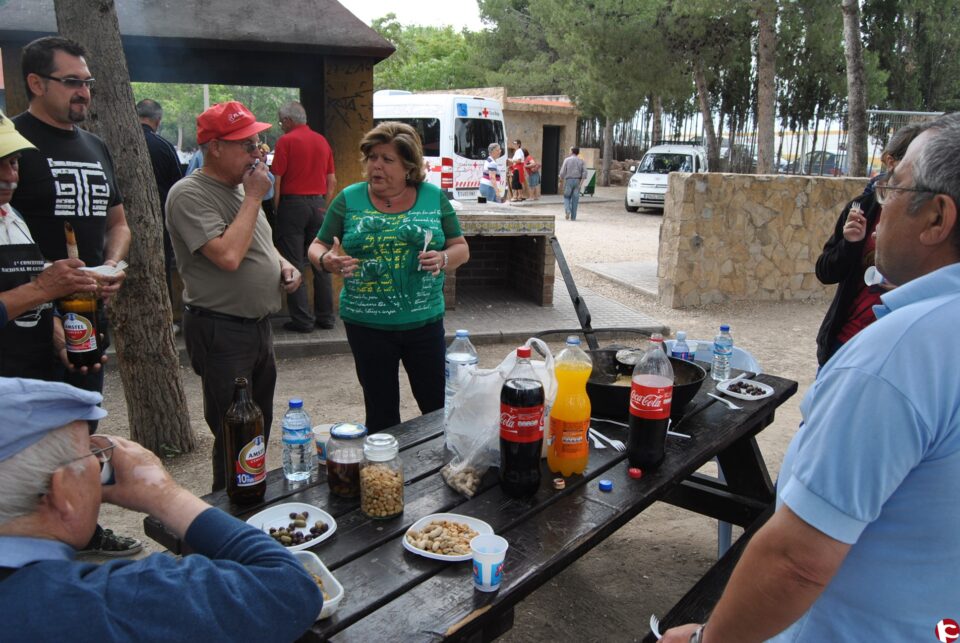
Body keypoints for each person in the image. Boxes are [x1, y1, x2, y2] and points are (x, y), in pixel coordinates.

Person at [663, 113, 960, 642]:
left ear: (937, 218)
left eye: (892, 186)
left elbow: (796, 562)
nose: (880, 202)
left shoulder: (895, 359)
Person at [0, 377, 322, 640]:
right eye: (90, 453)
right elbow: (290, 589)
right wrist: (164, 494)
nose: (100, 464)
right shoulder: (110, 604)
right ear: (62, 492)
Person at [10, 36, 136, 556]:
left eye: (88, 82)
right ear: (36, 83)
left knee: (83, 421)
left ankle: (82, 528)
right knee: (27, 435)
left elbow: (118, 222)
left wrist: (113, 265)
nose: (84, 91)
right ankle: (27, 541)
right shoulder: (13, 142)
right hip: (25, 319)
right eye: (72, 82)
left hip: (89, 311)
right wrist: (41, 300)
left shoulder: (95, 145)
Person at [166, 101, 302, 492]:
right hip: (221, 329)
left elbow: (261, 243)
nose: (258, 151)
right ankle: (228, 513)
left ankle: (252, 498)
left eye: (257, 141)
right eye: (247, 144)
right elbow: (227, 256)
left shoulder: (242, 188)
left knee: (258, 426)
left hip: (256, 327)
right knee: (235, 432)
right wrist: (255, 197)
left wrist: (283, 265)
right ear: (215, 147)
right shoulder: (190, 194)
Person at [307, 121, 470, 430]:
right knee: (381, 414)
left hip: (423, 324)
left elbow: (461, 247)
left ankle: (438, 459)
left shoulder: (433, 197)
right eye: (372, 157)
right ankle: (387, 461)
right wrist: (326, 260)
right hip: (367, 326)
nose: (376, 166)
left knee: (437, 407)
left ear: (408, 166)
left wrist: (443, 258)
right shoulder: (349, 199)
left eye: (387, 159)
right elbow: (317, 244)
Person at [814, 123, 924, 367]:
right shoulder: (861, 208)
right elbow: (825, 272)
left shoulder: (931, 218)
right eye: (918, 164)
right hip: (845, 343)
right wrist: (850, 244)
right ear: (891, 162)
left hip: (897, 350)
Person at [0, 111, 98, 380]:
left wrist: (64, 342)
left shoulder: (13, 216)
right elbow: (37, 290)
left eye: (13, 162)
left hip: (31, 378)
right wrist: (42, 288)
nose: (10, 176)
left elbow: (37, 303)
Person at [272, 101, 337, 332]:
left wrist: (277, 210)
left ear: (288, 120)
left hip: (292, 206)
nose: (281, 126)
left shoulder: (285, 141)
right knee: (321, 262)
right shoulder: (322, 141)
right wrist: (323, 206)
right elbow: (332, 181)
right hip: (318, 205)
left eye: (281, 122)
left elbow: (277, 180)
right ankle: (326, 318)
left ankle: (302, 321)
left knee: (294, 262)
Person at [136, 98, 184, 313]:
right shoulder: (163, 146)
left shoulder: (116, 142)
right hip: (158, 219)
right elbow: (178, 186)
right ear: (158, 120)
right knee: (160, 267)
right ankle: (165, 315)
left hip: (122, 221)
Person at [559, 146, 586, 220]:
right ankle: (573, 217)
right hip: (577, 181)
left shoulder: (567, 160)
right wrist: (580, 183)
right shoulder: (581, 161)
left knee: (566, 197)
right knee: (575, 199)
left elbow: (562, 172)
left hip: (569, 180)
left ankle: (567, 210)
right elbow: (584, 173)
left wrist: (560, 181)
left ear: (572, 152)